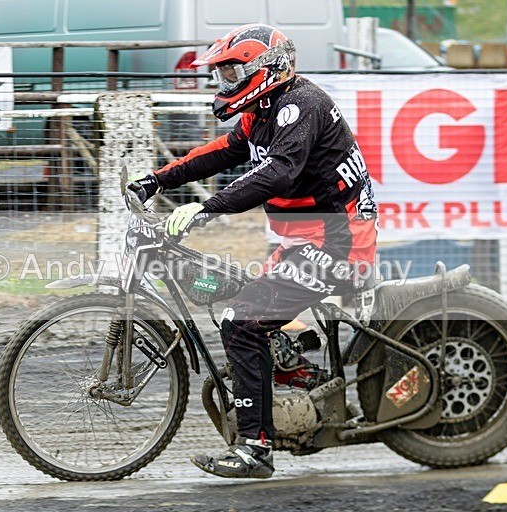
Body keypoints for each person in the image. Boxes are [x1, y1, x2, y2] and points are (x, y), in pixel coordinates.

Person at [128, 24, 378, 479]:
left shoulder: (300, 105)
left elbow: (279, 173)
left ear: (266, 68)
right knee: (235, 298)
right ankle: (304, 381)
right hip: (307, 237)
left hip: (338, 240)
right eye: (221, 74)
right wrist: (158, 179)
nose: (225, 82)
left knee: (240, 322)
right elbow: (224, 151)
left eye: (232, 71)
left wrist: (208, 207)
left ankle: (254, 450)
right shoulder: (263, 109)